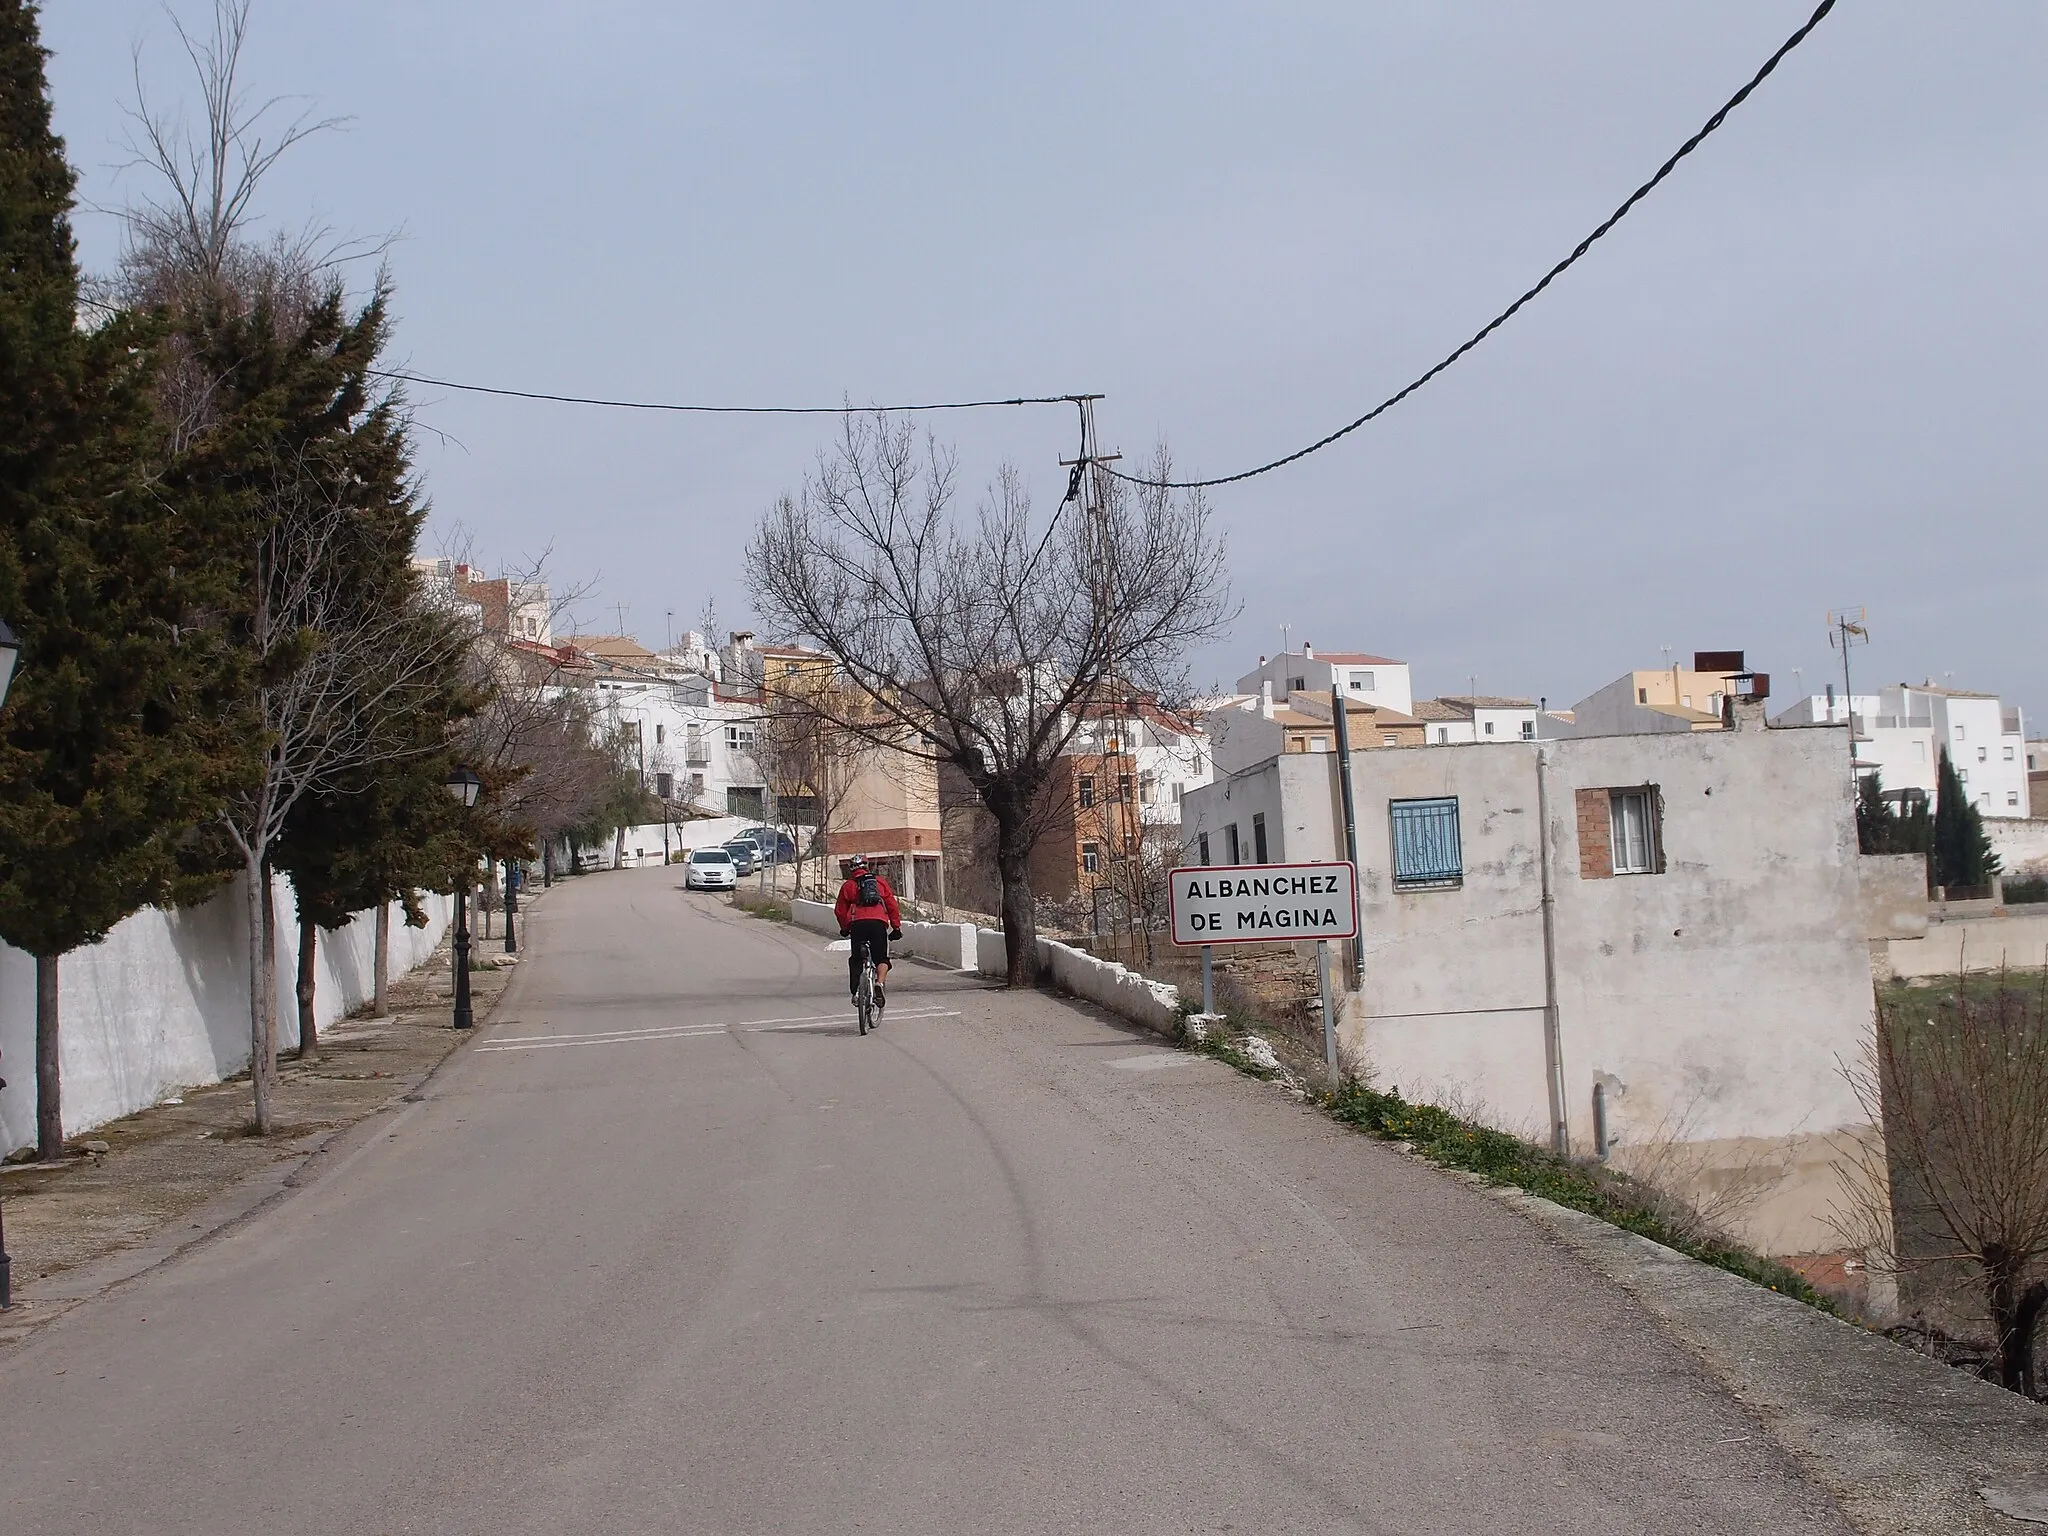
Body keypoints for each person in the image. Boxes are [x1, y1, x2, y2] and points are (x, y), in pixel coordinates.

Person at [834, 854, 903, 1009]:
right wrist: (896, 927)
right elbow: (892, 905)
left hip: (857, 924)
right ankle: (879, 983)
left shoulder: (848, 885)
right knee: (881, 959)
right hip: (878, 923)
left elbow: (839, 911)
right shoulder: (879, 882)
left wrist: (845, 928)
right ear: (867, 866)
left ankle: (857, 992)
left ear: (851, 868)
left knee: (857, 959)